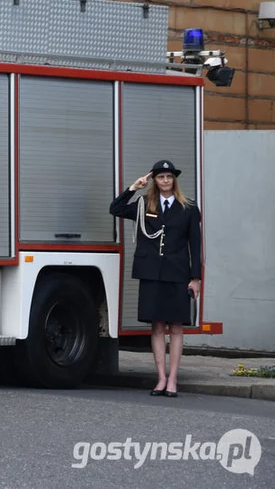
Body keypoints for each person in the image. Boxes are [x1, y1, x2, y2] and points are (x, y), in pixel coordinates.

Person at [110, 160, 201, 397]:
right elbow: (116, 209)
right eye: (160, 177)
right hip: (151, 273)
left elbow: (195, 244)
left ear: (174, 180)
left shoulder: (189, 207)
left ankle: (173, 379)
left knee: (177, 327)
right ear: (155, 180)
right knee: (157, 326)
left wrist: (196, 278)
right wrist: (133, 188)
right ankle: (160, 378)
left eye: (169, 177)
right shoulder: (143, 203)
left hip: (177, 274)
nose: (165, 181)